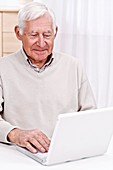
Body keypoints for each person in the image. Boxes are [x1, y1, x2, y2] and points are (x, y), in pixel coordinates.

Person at [0, 2, 96, 154]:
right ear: (18, 33)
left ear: (55, 32)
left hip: (65, 153)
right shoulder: (2, 68)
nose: (41, 43)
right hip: (17, 154)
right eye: (33, 35)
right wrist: (16, 134)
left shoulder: (74, 66)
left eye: (47, 34)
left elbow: (90, 116)